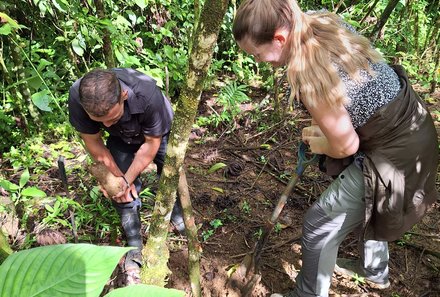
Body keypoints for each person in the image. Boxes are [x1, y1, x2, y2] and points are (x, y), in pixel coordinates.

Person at [232, 1, 438, 296]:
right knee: (367, 199)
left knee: (319, 225)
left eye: (256, 53)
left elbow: (346, 145)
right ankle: (374, 271)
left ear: (279, 38)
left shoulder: (308, 73)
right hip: (414, 123)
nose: (259, 61)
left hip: (395, 150)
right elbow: (353, 99)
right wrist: (322, 135)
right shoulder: (318, 22)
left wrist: (322, 141)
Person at [68, 68, 185, 284]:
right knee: (119, 192)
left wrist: (126, 179)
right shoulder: (78, 97)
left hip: (157, 133)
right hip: (121, 138)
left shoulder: (147, 95)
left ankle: (177, 215)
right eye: (99, 120)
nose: (106, 125)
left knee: (168, 174)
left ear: (124, 96)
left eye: (112, 117)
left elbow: (151, 145)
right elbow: (93, 141)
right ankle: (134, 244)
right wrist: (117, 180)